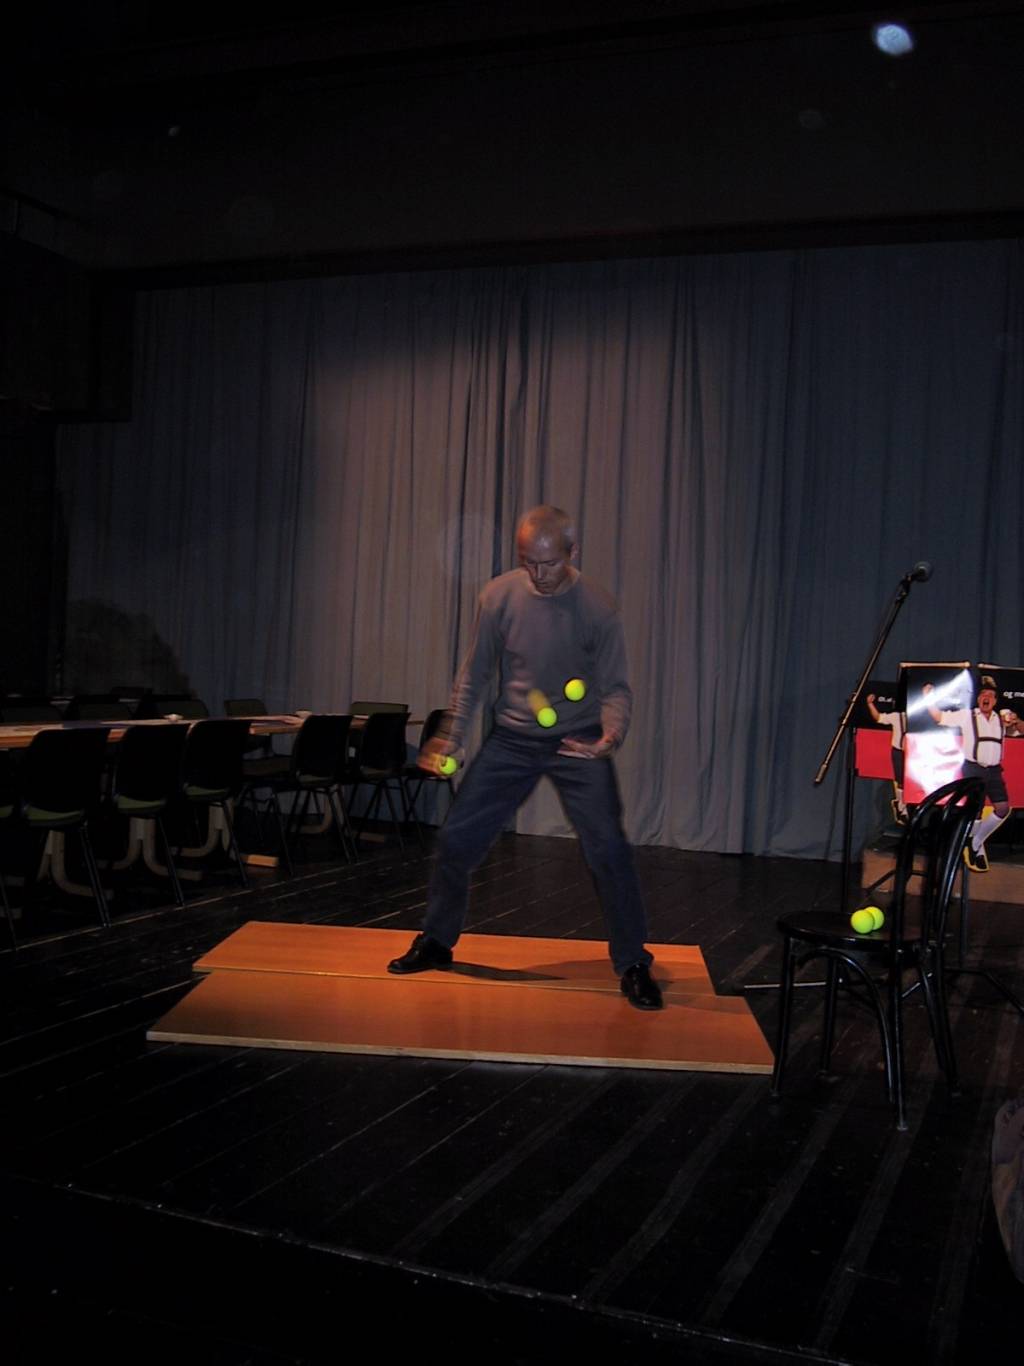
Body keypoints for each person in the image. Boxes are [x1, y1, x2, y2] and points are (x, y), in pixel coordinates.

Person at [387, 505, 662, 1009]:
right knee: (456, 839)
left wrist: (610, 735)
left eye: (549, 563)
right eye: (527, 562)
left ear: (572, 553)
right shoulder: (498, 597)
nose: (538, 574)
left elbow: (617, 688)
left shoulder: (598, 606)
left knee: (609, 850)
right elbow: (474, 675)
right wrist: (452, 735)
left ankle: (633, 962)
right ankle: (437, 940)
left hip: (577, 742)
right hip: (512, 739)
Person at [923, 675, 1023, 872]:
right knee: (975, 812)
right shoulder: (966, 715)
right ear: (978, 699)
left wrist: (1016, 720)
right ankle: (972, 846)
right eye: (983, 694)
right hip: (974, 768)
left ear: (995, 701)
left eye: (991, 695)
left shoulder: (1001, 720)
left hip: (994, 770)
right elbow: (939, 717)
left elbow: (1020, 730)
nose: (986, 697)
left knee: (1003, 809)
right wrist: (928, 697)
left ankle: (975, 841)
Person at [865, 692, 908, 823]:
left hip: (914, 752)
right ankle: (902, 807)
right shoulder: (897, 716)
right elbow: (878, 718)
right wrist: (870, 704)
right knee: (901, 781)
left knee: (911, 781)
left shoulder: (920, 717)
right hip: (899, 751)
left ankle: (906, 805)